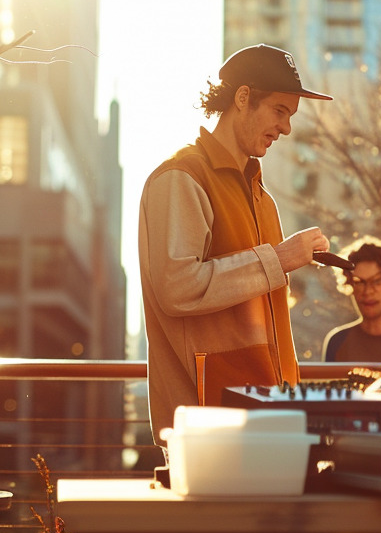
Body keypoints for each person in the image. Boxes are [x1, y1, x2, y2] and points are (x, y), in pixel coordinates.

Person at [139, 44, 333, 439]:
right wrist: (277, 260)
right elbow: (177, 287)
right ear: (243, 98)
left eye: (291, 117)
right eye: (280, 111)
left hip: (270, 414)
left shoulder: (265, 200)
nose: (287, 128)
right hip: (207, 423)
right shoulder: (181, 177)